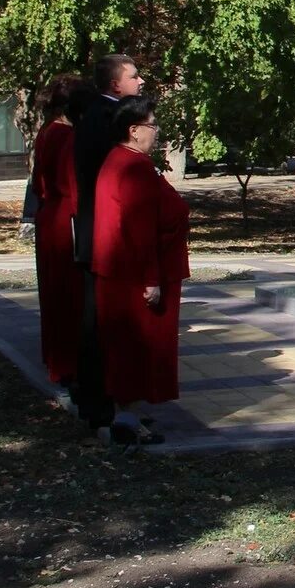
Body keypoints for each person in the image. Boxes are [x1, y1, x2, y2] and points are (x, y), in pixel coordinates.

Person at [91, 96, 188, 447]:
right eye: (152, 125)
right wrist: (151, 279)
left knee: (129, 351)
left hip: (125, 272)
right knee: (135, 351)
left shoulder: (123, 161)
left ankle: (129, 414)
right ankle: (127, 420)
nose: (156, 131)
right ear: (134, 131)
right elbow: (140, 226)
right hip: (135, 276)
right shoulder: (131, 167)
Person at [71, 53, 144, 431]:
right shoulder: (104, 118)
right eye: (134, 76)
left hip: (97, 231)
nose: (140, 81)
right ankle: (100, 406)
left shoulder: (97, 114)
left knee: (100, 322)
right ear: (116, 84)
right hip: (105, 235)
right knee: (102, 323)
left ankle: (102, 401)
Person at [31, 76, 91, 387]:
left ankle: (56, 357)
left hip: (50, 217)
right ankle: (68, 364)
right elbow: (74, 186)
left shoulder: (46, 131)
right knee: (69, 295)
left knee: (54, 293)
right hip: (66, 219)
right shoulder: (66, 136)